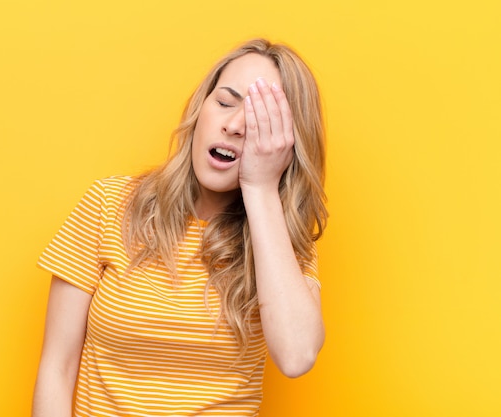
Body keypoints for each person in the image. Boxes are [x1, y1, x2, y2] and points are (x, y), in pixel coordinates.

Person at [32, 38, 328, 417]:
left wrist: (260, 186)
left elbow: (297, 355)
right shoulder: (109, 204)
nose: (235, 125)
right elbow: (57, 368)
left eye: (258, 120)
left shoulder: (280, 241)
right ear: (199, 108)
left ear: (285, 144)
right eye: (224, 102)